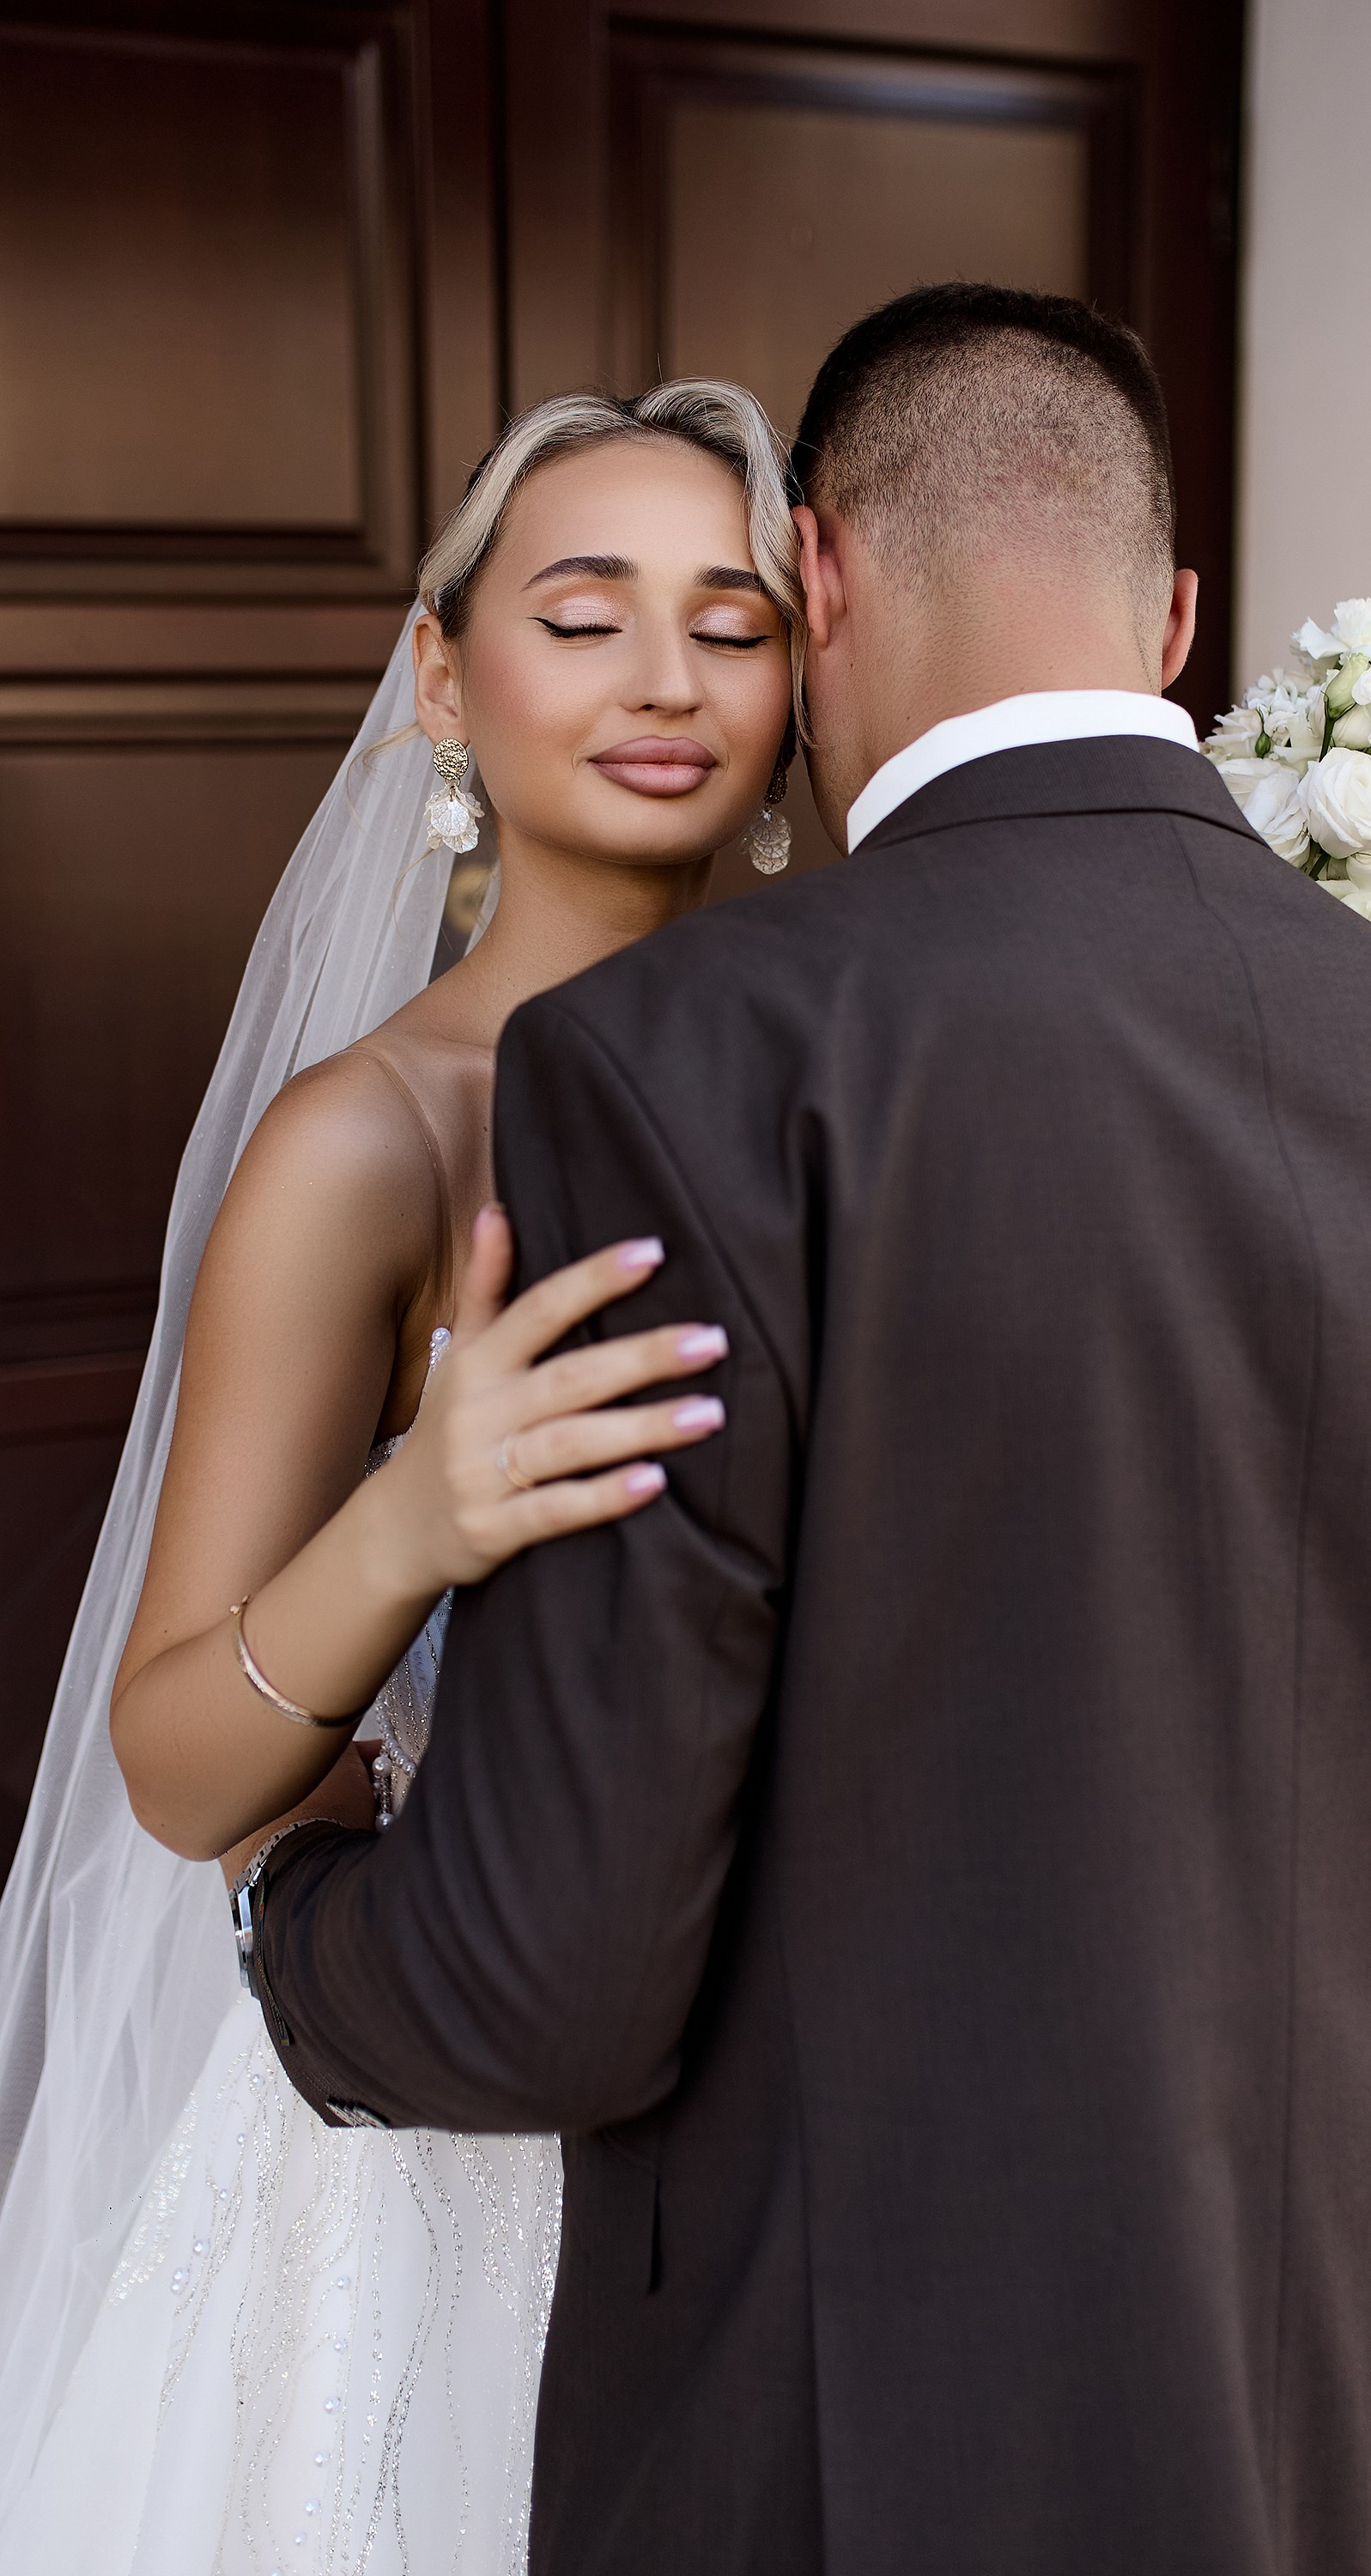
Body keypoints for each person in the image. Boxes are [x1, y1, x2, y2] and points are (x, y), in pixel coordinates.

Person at [251, 284, 1371, 2575]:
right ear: (1179, 611)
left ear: (819, 578)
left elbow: (551, 1984)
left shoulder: (678, 1067)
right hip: (1368, 2424)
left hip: (866, 2446)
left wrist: (287, 1924)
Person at [0, 379, 804, 2572]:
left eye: (733, 622)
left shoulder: (872, 1068)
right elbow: (174, 1768)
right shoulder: (370, 1139)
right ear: (446, 674)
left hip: (805, 2112)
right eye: (585, 613)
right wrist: (414, 1516)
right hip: (458, 2122)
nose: (666, 681)